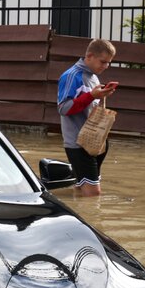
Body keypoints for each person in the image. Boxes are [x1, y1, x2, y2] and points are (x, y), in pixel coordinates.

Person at [57, 38, 118, 197]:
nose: (105, 66)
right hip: (78, 144)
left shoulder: (93, 77)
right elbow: (63, 108)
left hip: (95, 141)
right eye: (103, 62)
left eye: (109, 63)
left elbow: (89, 107)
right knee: (93, 195)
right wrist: (92, 95)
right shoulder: (71, 75)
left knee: (83, 189)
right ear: (89, 56)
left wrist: (102, 96)